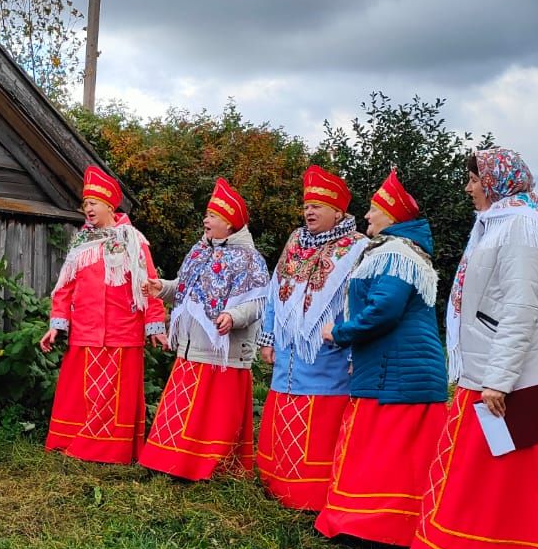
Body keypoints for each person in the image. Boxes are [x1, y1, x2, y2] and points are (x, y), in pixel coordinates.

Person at [408, 148, 538, 549]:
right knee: (487, 484)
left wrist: (498, 381)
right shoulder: (502, 221)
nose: (467, 188)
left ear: (496, 182)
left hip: (512, 384)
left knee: (504, 485)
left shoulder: (520, 227)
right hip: (489, 372)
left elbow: (520, 309)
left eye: (473, 179)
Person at [314, 170, 446, 546]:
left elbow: (384, 310)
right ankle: (382, 526)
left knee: (385, 453)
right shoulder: (400, 252)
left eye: (374, 210)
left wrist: (340, 333)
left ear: (391, 215)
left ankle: (375, 527)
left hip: (398, 373)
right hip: (396, 370)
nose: (367, 216)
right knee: (393, 455)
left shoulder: (394, 253)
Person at [138, 178, 269, 480]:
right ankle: (167, 462)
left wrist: (234, 316)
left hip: (222, 355)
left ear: (230, 223)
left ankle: (210, 468)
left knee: (213, 416)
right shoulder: (201, 251)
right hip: (191, 348)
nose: (205, 220)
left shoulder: (250, 260)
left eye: (212, 215)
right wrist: (164, 287)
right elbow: (187, 291)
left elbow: (260, 301)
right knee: (182, 410)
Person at [255, 165, 369, 510]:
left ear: (338, 211)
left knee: (318, 427)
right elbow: (277, 289)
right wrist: (268, 336)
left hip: (327, 356)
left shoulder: (356, 247)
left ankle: (313, 496)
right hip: (289, 351)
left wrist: (354, 353)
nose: (309, 211)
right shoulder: (295, 241)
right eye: (306, 205)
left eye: (317, 206)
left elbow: (357, 302)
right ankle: (276, 484)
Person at [38, 165, 168, 464]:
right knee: (82, 394)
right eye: (85, 204)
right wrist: (57, 324)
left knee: (114, 396)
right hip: (86, 331)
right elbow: (65, 288)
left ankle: (110, 451)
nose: (88, 209)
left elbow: (149, 284)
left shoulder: (133, 240)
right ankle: (75, 441)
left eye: (93, 203)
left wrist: (155, 326)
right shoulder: (81, 244)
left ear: (110, 205)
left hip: (122, 332)